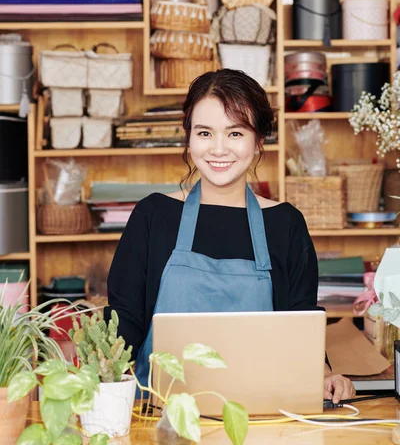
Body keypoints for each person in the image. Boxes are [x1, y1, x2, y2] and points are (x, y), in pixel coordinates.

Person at [106, 69, 355, 403]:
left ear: (258, 142)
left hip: (261, 416)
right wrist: (106, 381)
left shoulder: (285, 224)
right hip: (158, 415)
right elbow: (126, 321)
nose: (218, 149)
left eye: (235, 133)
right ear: (189, 139)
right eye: (205, 132)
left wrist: (325, 377)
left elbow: (300, 323)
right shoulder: (153, 216)